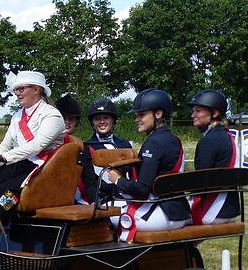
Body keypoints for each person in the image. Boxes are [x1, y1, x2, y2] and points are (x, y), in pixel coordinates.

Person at [0, 71, 65, 245]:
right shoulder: (16, 116)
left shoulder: (52, 115)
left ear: (36, 90)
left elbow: (37, 146)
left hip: (42, 170)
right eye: (15, 90)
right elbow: (6, 144)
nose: (17, 93)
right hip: (17, 165)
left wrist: (3, 158)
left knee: (4, 195)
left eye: (20, 89)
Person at [107, 89, 190, 242]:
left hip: (162, 213)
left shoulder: (154, 143)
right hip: (180, 211)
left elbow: (142, 190)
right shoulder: (173, 139)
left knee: (104, 214)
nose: (136, 119)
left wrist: (118, 180)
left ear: (158, 114)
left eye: (141, 114)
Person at [188, 89, 239, 224]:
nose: (193, 115)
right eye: (193, 111)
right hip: (231, 209)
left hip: (213, 209)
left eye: (198, 111)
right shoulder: (227, 136)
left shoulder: (209, 140)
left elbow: (200, 179)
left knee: (172, 218)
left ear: (215, 113)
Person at [81, 98, 133, 204]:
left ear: (113, 120)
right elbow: (89, 182)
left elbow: (130, 175)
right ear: (92, 123)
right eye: (97, 119)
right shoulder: (87, 147)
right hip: (102, 199)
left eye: (106, 118)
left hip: (124, 195)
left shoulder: (125, 144)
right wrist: (94, 203)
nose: (102, 122)